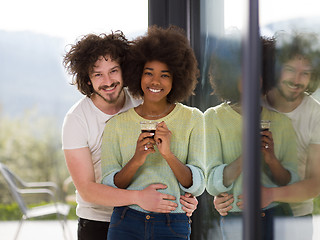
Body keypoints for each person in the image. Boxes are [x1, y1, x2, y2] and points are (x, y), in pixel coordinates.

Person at [62, 31, 198, 240]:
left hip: (151, 215)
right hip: (97, 221)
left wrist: (186, 197)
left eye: (114, 71)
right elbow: (87, 190)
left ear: (125, 71)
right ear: (87, 80)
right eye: (98, 74)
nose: (108, 81)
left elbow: (172, 166)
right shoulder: (76, 119)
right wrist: (138, 198)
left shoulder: (142, 100)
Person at [100, 25, 206, 240]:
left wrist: (168, 154)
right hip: (126, 220)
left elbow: (197, 184)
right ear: (138, 74)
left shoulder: (193, 119)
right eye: (149, 73)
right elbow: (111, 185)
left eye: (164, 75)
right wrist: (137, 160)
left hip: (172, 222)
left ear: (176, 78)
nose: (155, 81)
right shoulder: (116, 125)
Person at [214, 32, 320, 239]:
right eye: (289, 70)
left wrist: (270, 194)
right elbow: (223, 162)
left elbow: (315, 184)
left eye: (305, 73)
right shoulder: (249, 102)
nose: (296, 80)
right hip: (243, 215)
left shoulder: (316, 114)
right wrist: (219, 197)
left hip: (295, 219)